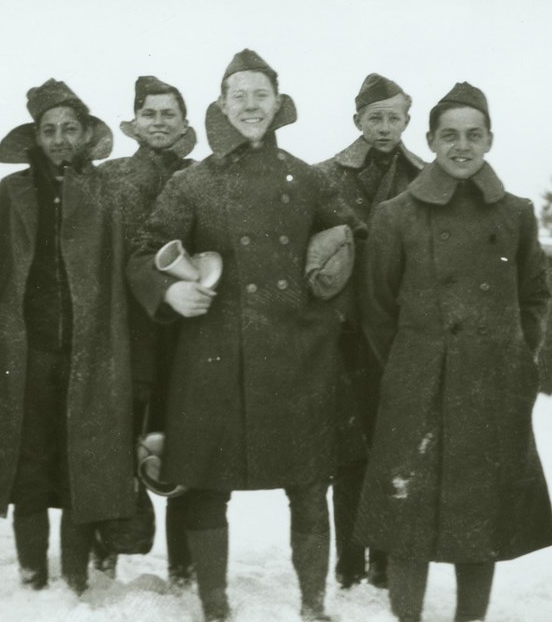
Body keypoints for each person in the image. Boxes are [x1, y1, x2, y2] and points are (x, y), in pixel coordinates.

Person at [127, 49, 366, 622]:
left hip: (298, 355)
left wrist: (334, 274)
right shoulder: (194, 183)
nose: (252, 105)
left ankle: (313, 606)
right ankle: (215, 608)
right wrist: (169, 291)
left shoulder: (309, 178)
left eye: (262, 95)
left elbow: (354, 238)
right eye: (240, 95)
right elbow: (146, 249)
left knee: (310, 485)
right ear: (222, 105)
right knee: (208, 486)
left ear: (278, 104)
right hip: (213, 358)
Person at [355, 82, 552, 622]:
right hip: (417, 385)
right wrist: (411, 364)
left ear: (489, 140)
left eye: (473, 134)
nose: (461, 146)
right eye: (449, 135)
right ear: (431, 141)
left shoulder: (514, 213)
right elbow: (376, 309)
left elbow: (534, 294)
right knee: (406, 518)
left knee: (480, 518)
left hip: (491, 386)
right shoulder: (397, 215)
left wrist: (516, 352)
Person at [0, 79, 137, 594]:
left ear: (85, 136)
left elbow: (124, 273)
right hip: (22, 356)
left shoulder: (108, 193)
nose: (58, 139)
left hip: (90, 355)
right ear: (36, 136)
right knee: (26, 467)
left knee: (84, 466)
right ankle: (32, 575)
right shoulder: (8, 195)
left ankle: (76, 576)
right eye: (49, 130)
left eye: (69, 129)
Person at [316, 73, 424, 589]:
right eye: (374, 117)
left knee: (395, 450)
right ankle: (348, 562)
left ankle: (385, 560)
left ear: (408, 120)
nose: (384, 127)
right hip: (344, 337)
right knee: (349, 453)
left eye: (394, 117)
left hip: (403, 336)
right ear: (357, 120)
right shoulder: (325, 176)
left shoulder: (426, 179)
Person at [98, 75, 197, 584]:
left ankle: (184, 565)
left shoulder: (203, 176)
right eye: (150, 113)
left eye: (169, 114)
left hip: (187, 335)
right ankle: (107, 557)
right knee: (117, 442)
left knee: (182, 445)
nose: (159, 122)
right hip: (123, 333)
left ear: (185, 123)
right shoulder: (108, 178)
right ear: (134, 122)